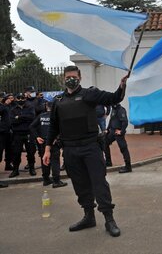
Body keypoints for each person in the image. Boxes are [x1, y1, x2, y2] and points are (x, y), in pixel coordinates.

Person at [43, 65, 128, 237]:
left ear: (80, 78)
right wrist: (47, 149)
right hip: (70, 150)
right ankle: (88, 216)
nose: (71, 79)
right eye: (68, 77)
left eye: (74, 76)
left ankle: (109, 219)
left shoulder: (90, 94)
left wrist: (122, 86)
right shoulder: (58, 101)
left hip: (90, 148)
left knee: (99, 183)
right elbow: (53, 127)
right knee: (80, 185)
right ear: (63, 78)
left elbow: (114, 97)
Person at [29, 101, 68, 188]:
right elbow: (62, 128)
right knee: (55, 161)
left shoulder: (41, 116)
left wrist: (37, 137)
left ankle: (46, 179)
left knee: (45, 160)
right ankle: (56, 181)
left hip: (43, 141)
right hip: (53, 142)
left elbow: (31, 126)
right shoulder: (57, 116)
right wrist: (57, 138)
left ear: (46, 107)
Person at [9, 93, 36, 178]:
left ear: (25, 98)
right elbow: (12, 121)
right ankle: (15, 170)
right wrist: (23, 118)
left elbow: (31, 117)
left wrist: (19, 117)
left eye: (22, 98)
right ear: (16, 99)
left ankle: (32, 168)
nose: (20, 100)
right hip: (17, 134)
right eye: (18, 98)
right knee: (16, 153)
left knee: (31, 152)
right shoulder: (13, 109)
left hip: (28, 133)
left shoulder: (30, 107)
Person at [104, 103, 132, 173]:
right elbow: (111, 120)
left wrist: (122, 131)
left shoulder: (121, 110)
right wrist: (107, 129)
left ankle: (128, 167)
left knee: (123, 148)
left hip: (118, 132)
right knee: (105, 143)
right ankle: (108, 162)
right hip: (112, 132)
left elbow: (125, 122)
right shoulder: (113, 109)